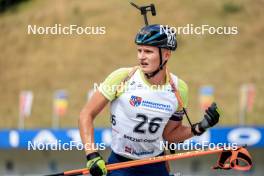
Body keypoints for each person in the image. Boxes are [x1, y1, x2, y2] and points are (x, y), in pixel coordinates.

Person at [79, 24, 220, 176]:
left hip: (155, 164)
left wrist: (200, 127)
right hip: (121, 163)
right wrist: (92, 155)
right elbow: (86, 115)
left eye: (148, 51)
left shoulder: (180, 88)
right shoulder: (122, 77)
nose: (141, 56)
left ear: (166, 54)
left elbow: (170, 135)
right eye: (139, 50)